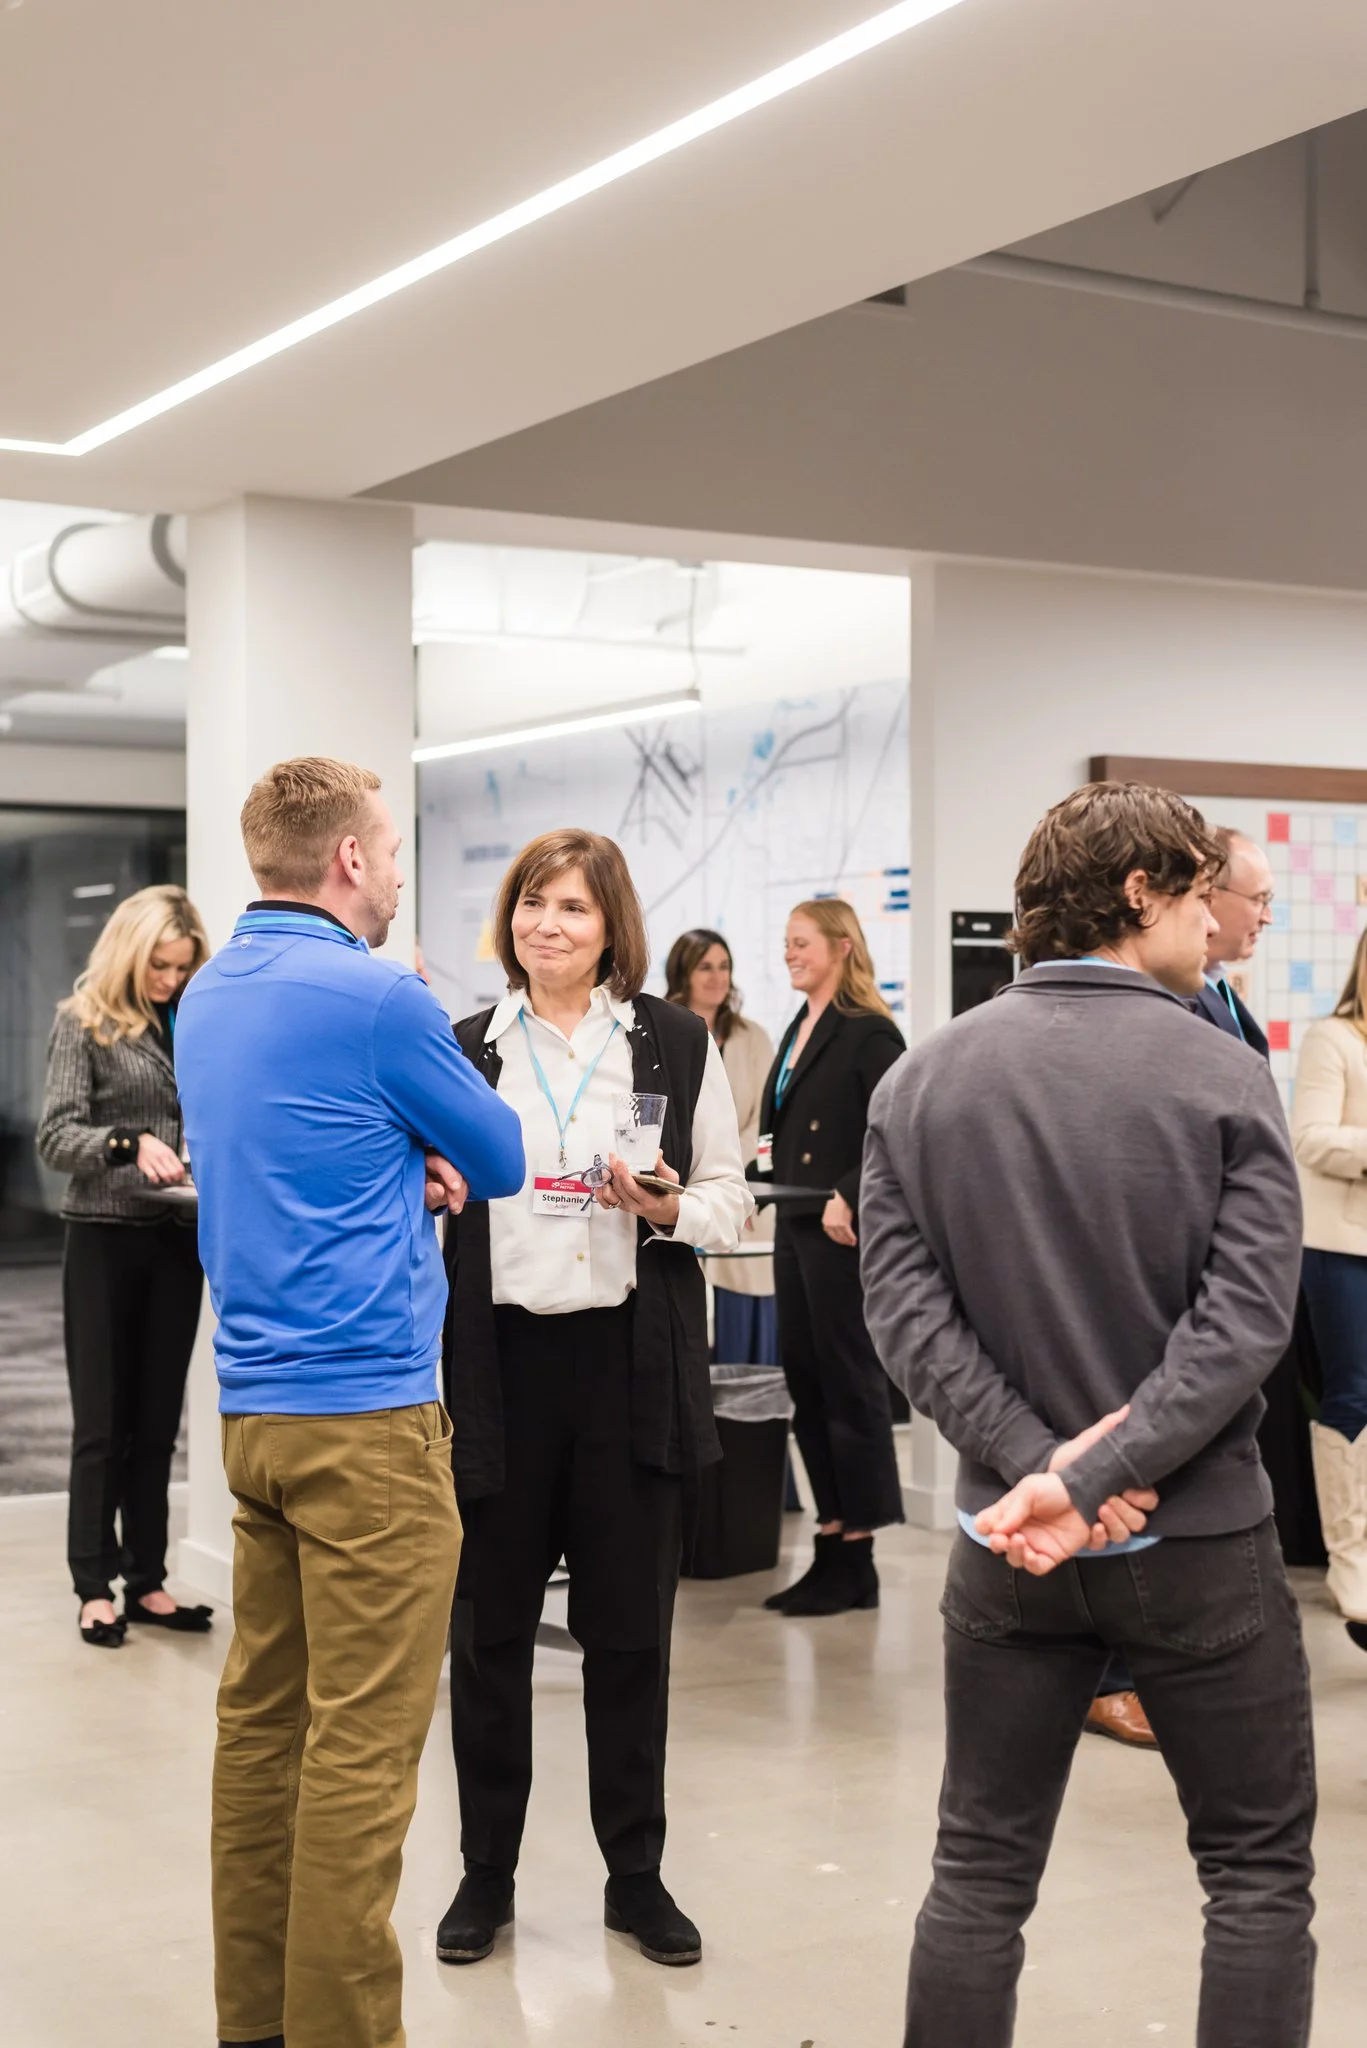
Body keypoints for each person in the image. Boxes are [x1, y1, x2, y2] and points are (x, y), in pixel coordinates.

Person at [861, 781, 1315, 2048]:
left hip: (1004, 1547)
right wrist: (1090, 1475)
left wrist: (1040, 1473)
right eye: (1199, 892)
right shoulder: (1225, 1075)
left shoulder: (920, 1079)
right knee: (1254, 1875)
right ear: (1136, 891)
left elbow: (903, 1315)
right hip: (1197, 1544)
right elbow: (1243, 1325)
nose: (1217, 923)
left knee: (977, 1872)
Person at [174, 757, 525, 2048]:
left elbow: (296, 1153)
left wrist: (396, 1164)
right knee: (363, 1760)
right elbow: (502, 1156)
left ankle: (255, 2024)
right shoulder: (380, 998)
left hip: (254, 1420)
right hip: (369, 1425)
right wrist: (424, 1140)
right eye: (389, 849)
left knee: (261, 1732)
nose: (395, 873)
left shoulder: (208, 993)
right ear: (349, 861)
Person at [437, 832, 751, 1972]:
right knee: (489, 1640)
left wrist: (667, 1209)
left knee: (628, 1638)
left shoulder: (672, 1041)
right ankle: (485, 1872)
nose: (546, 924)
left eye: (571, 906)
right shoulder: (466, 1046)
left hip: (628, 1370)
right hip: (498, 1373)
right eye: (531, 902)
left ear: (611, 923)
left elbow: (729, 1197)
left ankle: (635, 1875)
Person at [37, 883, 211, 1648]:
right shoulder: (84, 1023)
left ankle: (146, 1580)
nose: (170, 981)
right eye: (158, 967)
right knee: (102, 1425)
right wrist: (126, 1143)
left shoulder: (196, 1024)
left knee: (157, 1423)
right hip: (104, 1237)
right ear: (129, 955)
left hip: (177, 1237)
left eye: (181, 967)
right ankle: (93, 1586)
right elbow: (55, 1137)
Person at [758, 898, 905, 1616]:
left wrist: (850, 1191)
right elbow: (778, 1134)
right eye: (786, 943)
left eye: (802, 942)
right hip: (793, 1222)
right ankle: (831, 1538)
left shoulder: (868, 1031)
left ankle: (858, 1557)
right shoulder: (798, 1028)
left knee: (848, 1384)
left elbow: (899, 1127)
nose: (790, 953)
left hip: (839, 1232)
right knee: (807, 1382)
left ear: (842, 946)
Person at [1292, 924, 1367, 1653]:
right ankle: (1351, 1562)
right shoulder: (1333, 1039)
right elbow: (1309, 1137)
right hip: (1344, 1248)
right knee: (1354, 1395)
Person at [665, 927, 778, 1370]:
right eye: (705, 967)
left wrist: (728, 1174)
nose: (718, 978)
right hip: (672, 1191)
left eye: (724, 967)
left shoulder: (753, 1038)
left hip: (738, 1189)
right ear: (683, 973)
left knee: (742, 1325)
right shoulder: (660, 1032)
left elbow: (762, 1120)